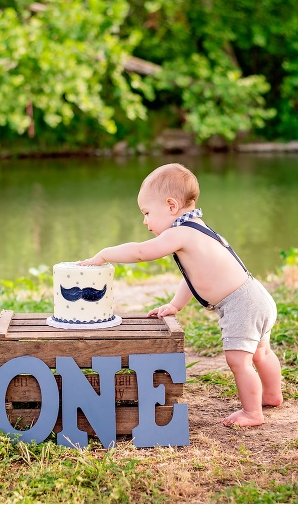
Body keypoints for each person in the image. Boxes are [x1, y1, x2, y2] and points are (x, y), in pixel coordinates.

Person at [78, 163, 283, 427]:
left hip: (241, 304)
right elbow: (195, 276)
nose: (145, 221)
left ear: (171, 206)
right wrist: (176, 304)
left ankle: (253, 412)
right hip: (257, 297)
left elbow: (141, 252)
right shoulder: (198, 228)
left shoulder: (180, 233)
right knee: (261, 353)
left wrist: (105, 254)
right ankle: (272, 394)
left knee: (238, 360)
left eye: (147, 212)